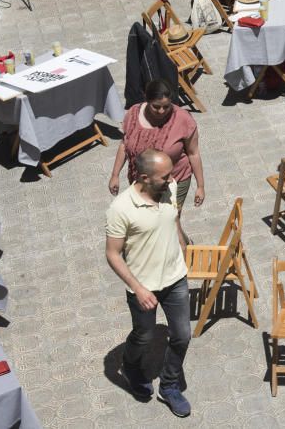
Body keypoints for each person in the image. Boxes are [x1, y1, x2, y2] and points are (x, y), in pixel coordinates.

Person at [105, 149, 191, 417]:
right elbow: (112, 254)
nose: (171, 179)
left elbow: (174, 217)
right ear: (144, 177)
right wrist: (139, 288)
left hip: (176, 278)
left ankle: (169, 385)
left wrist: (182, 244)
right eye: (165, 176)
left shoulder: (169, 187)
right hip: (143, 285)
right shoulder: (121, 208)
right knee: (143, 335)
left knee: (182, 335)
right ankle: (131, 366)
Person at [109, 79, 204, 211]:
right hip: (143, 182)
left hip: (173, 181)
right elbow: (124, 145)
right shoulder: (133, 114)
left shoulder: (183, 119)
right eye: (156, 106)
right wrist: (115, 175)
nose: (161, 111)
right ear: (147, 100)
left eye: (166, 106)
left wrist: (200, 186)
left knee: (170, 220)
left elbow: (193, 153)